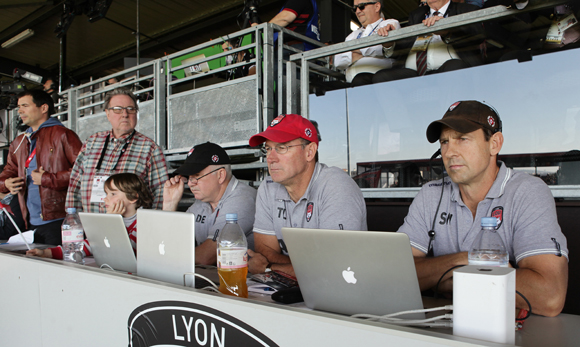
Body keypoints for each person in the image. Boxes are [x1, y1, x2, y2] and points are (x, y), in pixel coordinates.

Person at [397, 100, 569, 317]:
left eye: (462, 139)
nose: (449, 152)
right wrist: (463, 260)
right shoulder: (430, 194)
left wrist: (444, 281)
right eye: (444, 142)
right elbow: (396, 274)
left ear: (494, 144)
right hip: (438, 325)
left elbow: (549, 296)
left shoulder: (527, 192)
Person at [247, 114, 367, 277]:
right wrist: (308, 268)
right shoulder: (268, 187)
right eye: (268, 148)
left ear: (309, 152)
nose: (270, 158)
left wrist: (269, 267)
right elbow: (264, 251)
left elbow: (335, 269)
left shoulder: (336, 185)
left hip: (340, 297)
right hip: (285, 292)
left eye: (282, 147)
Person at [66, 88, 169, 214]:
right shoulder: (92, 142)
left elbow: (160, 194)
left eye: (130, 109)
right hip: (90, 227)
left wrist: (152, 227)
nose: (125, 114)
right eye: (118, 109)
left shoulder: (150, 149)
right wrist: (73, 221)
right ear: (107, 113)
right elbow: (75, 185)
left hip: (130, 230)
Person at [0, 90, 82, 245]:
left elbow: (84, 172)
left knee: (54, 266)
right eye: (19, 107)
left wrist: (47, 179)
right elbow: (7, 173)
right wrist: (6, 183)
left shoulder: (63, 134)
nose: (20, 111)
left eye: (25, 105)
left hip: (57, 219)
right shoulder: (19, 141)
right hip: (26, 220)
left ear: (44, 108)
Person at [162, 142, 256, 265]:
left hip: (243, 280)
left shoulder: (243, 199)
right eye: (189, 177)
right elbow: (168, 243)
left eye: (196, 176)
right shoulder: (202, 203)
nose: (190, 183)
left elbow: (207, 257)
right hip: (214, 278)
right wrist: (169, 204)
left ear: (220, 175)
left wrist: (167, 256)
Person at [27, 173, 152, 259]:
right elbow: (89, 246)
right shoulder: (113, 221)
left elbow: (126, 252)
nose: (105, 199)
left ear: (134, 197)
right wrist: (46, 253)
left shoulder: (144, 223)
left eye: (113, 194)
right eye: (106, 193)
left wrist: (111, 223)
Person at [372, 0, 482, 83]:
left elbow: (477, 36)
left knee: (454, 66)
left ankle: (450, 113)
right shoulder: (416, 15)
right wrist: (390, 43)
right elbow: (404, 46)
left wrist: (448, 31)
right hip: (414, 74)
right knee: (382, 77)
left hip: (447, 69)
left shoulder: (467, 9)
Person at [334, 0, 401, 86]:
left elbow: (380, 48)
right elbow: (338, 61)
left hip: (375, 82)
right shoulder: (352, 35)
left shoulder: (389, 23)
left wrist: (354, 51)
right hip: (350, 84)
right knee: (321, 88)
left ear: (377, 7)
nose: (358, 11)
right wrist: (367, 50)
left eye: (362, 6)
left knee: (360, 79)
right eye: (355, 8)